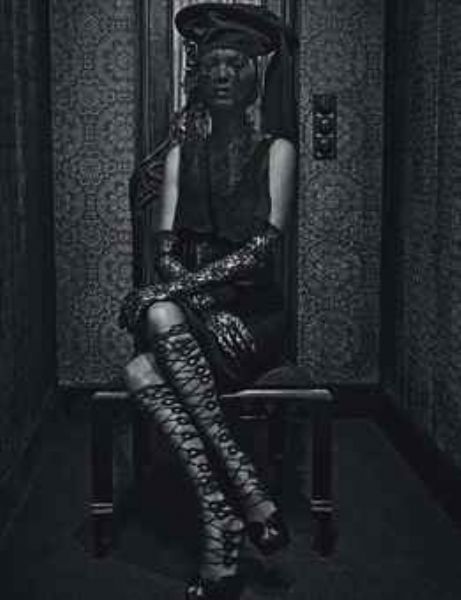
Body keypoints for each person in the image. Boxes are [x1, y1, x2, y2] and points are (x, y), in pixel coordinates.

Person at [119, 3, 297, 599]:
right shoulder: (179, 154)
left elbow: (262, 253)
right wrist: (193, 299)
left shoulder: (278, 150)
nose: (222, 73)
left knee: (150, 337)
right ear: (198, 75)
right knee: (141, 360)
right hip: (197, 311)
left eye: (235, 64)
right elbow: (165, 249)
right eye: (213, 63)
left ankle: (233, 507)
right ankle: (235, 500)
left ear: (253, 78)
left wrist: (176, 295)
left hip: (254, 316)